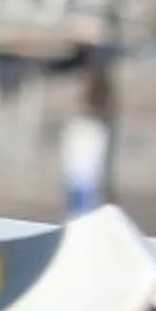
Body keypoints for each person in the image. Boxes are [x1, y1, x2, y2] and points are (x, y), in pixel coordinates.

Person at [58, 63, 111, 216]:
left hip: (82, 176)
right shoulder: (91, 126)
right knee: (80, 212)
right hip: (82, 176)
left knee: (79, 212)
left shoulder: (88, 126)